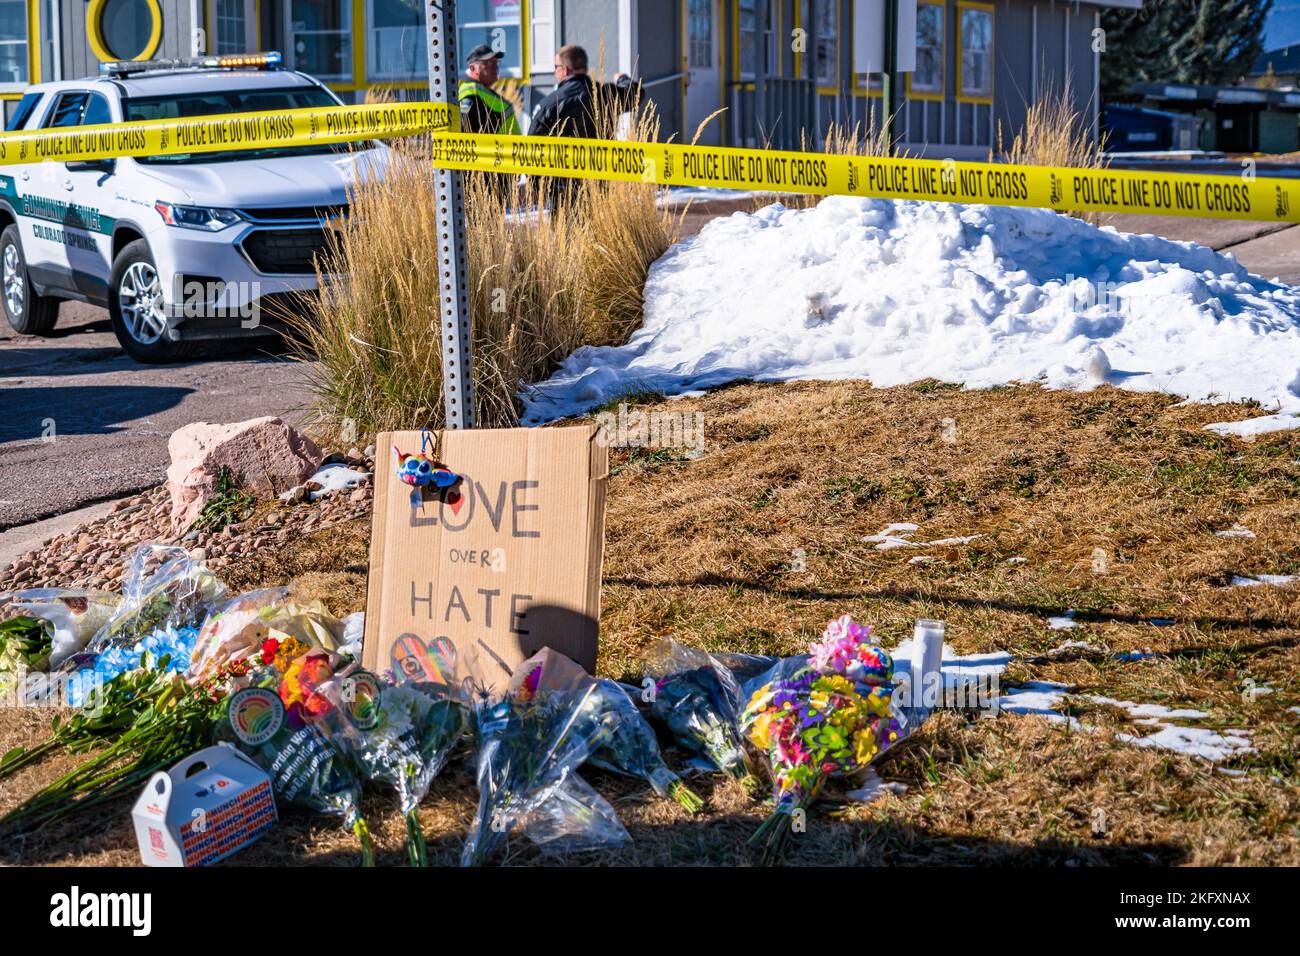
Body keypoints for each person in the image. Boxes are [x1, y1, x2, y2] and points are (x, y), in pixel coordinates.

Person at [529, 45, 640, 140]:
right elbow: (636, 94)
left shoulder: (550, 103)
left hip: (565, 164)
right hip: (603, 163)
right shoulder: (606, 93)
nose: (555, 70)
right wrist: (622, 79)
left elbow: (532, 142)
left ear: (565, 69)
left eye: (556, 67)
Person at [458, 44, 521, 136]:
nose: (495, 66)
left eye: (496, 62)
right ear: (472, 68)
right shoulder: (470, 94)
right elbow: (459, 128)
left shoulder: (472, 91)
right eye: (489, 63)